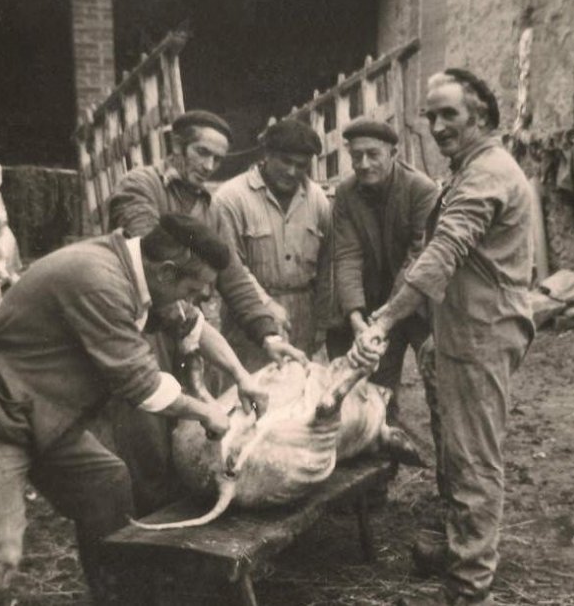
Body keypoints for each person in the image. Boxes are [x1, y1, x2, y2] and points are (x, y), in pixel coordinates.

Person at [0, 214, 257, 606]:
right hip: (4, 417)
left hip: (53, 420)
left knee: (106, 484)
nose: (198, 300)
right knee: (2, 550)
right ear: (167, 273)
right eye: (194, 289)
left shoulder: (140, 274)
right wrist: (206, 412)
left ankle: (118, 596)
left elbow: (193, 327)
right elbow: (141, 384)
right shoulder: (100, 282)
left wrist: (241, 374)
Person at [351, 69, 537, 606]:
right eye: (430, 115)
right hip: (459, 330)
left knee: (475, 458)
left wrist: (384, 321)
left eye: (448, 114)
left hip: (482, 335)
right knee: (455, 450)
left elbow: (443, 253)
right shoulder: (469, 169)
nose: (436, 125)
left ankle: (468, 586)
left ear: (480, 114)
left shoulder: (486, 174)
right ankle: (462, 549)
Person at [103, 110, 306, 514]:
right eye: (201, 153)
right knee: (146, 437)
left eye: (218, 159)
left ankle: (188, 535)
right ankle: (143, 536)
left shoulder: (209, 206)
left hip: (187, 331)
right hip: (143, 329)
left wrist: (267, 334)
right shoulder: (139, 187)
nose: (209, 165)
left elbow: (231, 272)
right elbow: (154, 257)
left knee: (193, 435)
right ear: (174, 147)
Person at [325, 117, 439, 424]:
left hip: (422, 303)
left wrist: (389, 315)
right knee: (376, 389)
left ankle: (450, 466)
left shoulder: (422, 190)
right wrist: (356, 317)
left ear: (394, 154)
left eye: (373, 154)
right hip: (375, 308)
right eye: (356, 156)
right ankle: (386, 454)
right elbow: (347, 255)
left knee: (440, 382)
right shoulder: (346, 194)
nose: (363, 164)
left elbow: (419, 257)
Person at [210, 118, 332, 371]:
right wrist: (265, 304)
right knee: (253, 396)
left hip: (302, 314)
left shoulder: (318, 199)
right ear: (267, 155)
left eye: (301, 165)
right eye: (285, 161)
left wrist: (321, 321)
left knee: (297, 394)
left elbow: (326, 264)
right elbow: (230, 265)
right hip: (249, 316)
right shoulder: (231, 198)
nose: (292, 172)